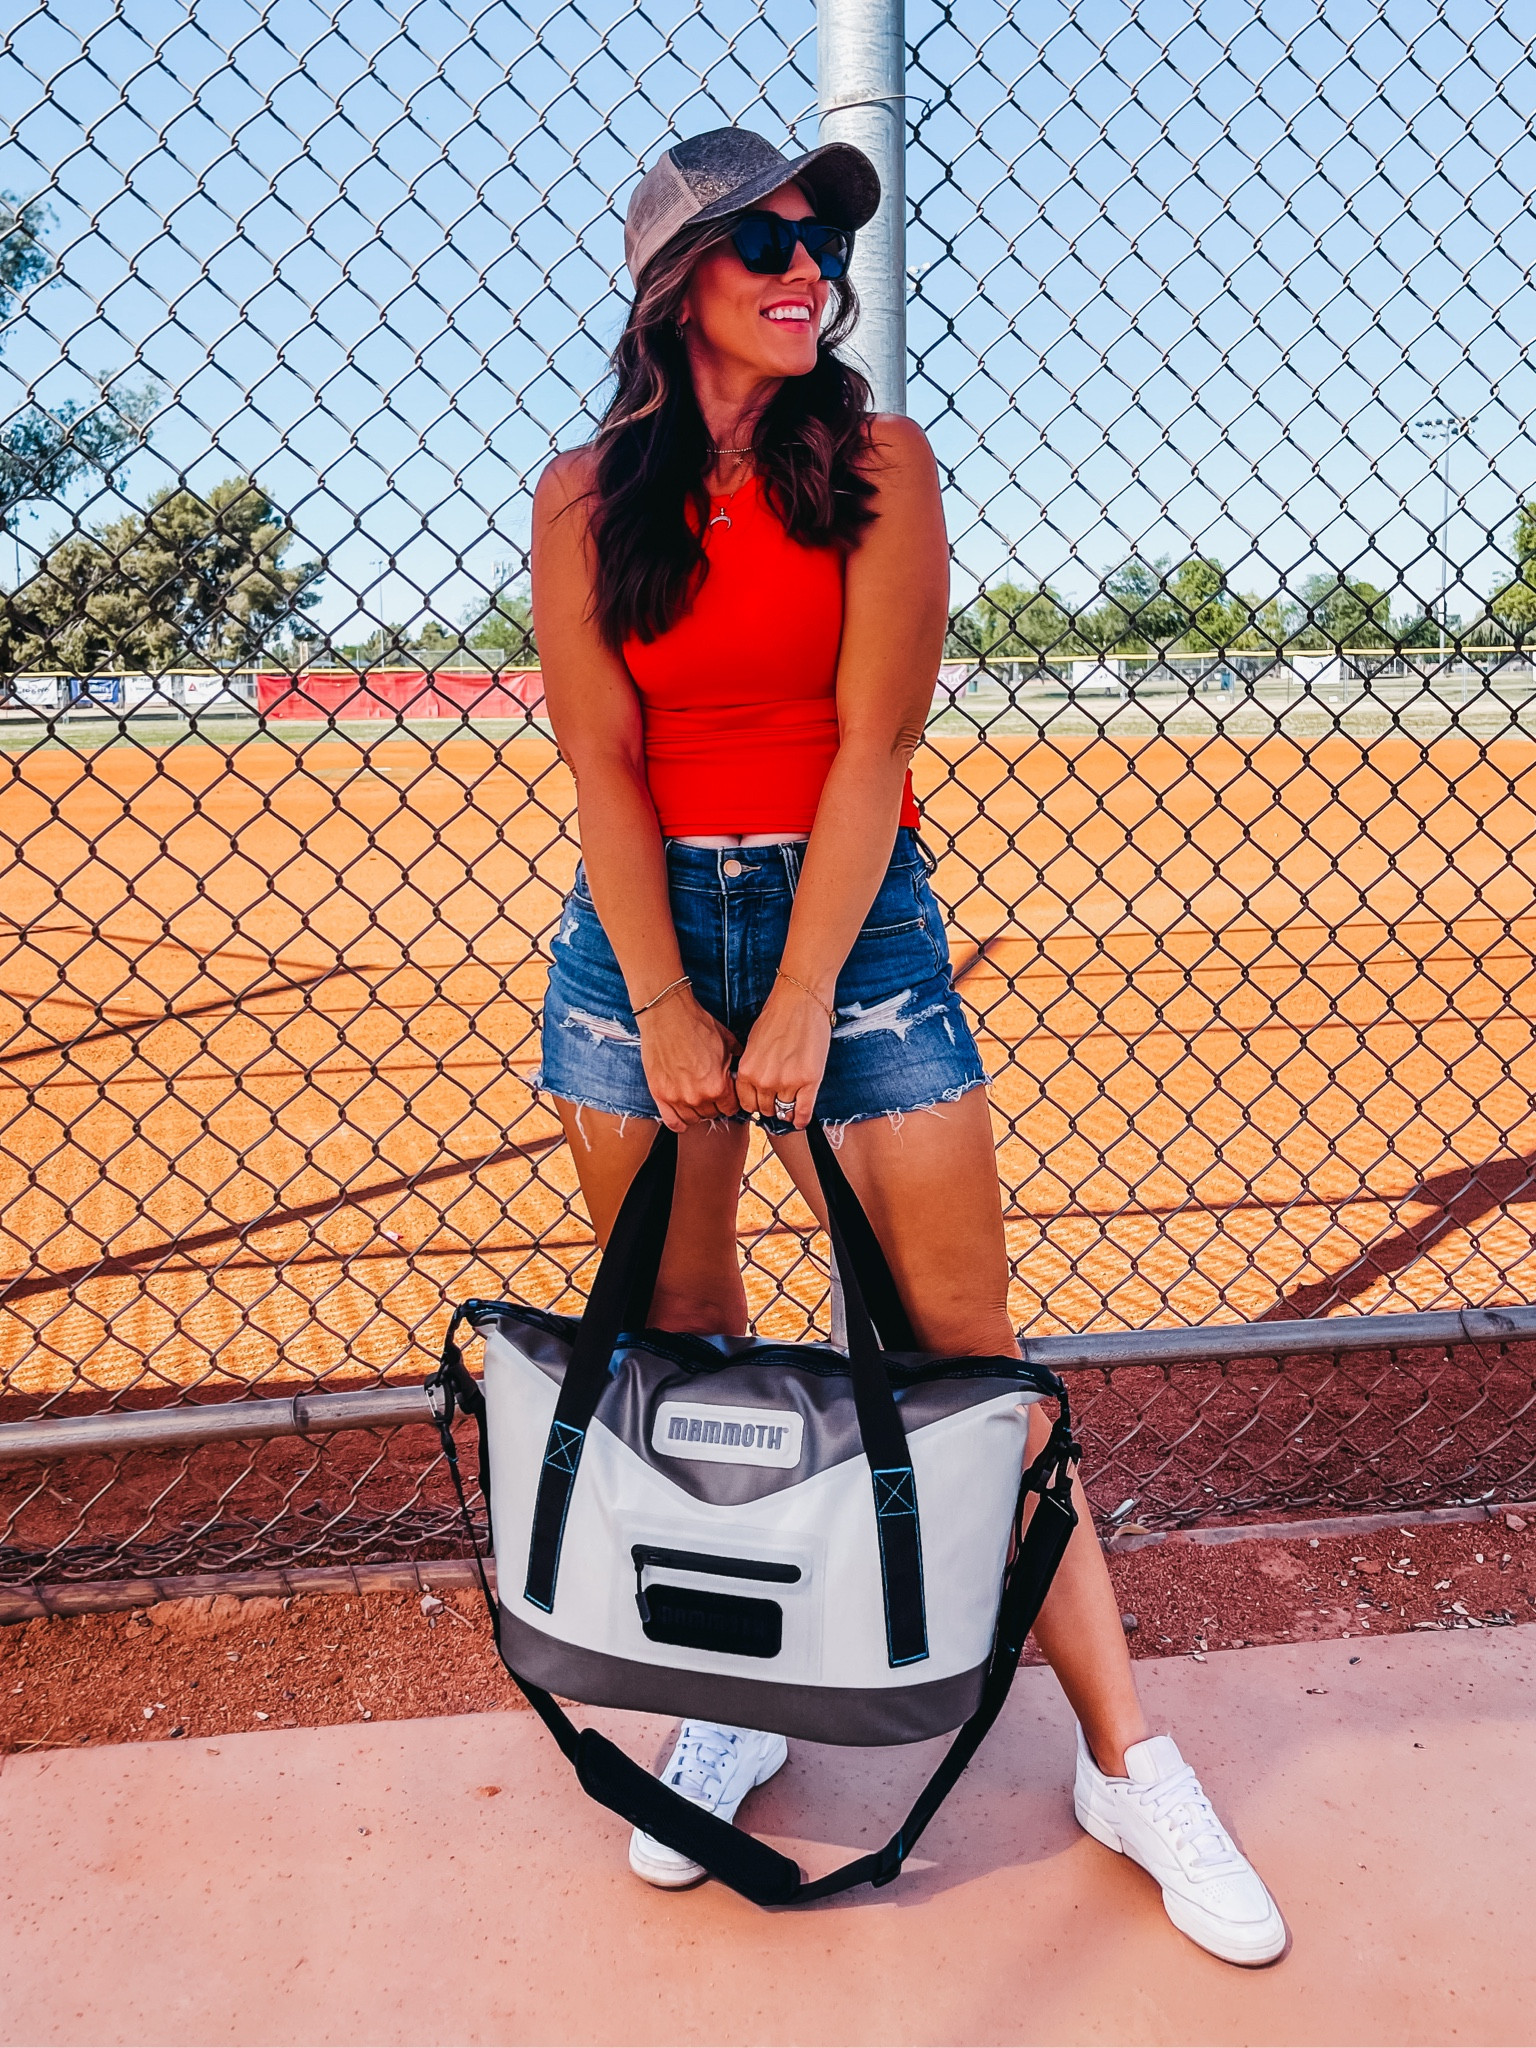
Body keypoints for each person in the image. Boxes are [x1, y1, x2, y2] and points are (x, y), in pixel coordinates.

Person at [529, 125, 1285, 1967]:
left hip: (854, 927)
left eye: (819, 241)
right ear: (672, 283)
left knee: (971, 1365)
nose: (811, 266)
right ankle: (748, 1692)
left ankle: (1125, 1758)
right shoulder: (578, 494)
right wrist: (663, 1002)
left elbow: (872, 745)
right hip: (638, 940)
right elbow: (602, 765)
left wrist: (793, 994)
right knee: (688, 1347)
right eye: (765, 240)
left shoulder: (881, 464)